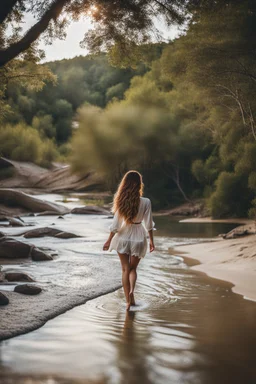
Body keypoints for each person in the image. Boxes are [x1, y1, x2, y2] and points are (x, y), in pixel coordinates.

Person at [103, 170, 155, 311]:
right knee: (133, 269)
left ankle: (128, 301)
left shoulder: (121, 201)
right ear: (139, 184)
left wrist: (108, 241)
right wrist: (151, 241)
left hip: (123, 237)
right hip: (138, 237)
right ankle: (132, 290)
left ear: (124, 184)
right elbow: (149, 223)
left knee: (125, 269)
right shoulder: (146, 202)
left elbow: (115, 225)